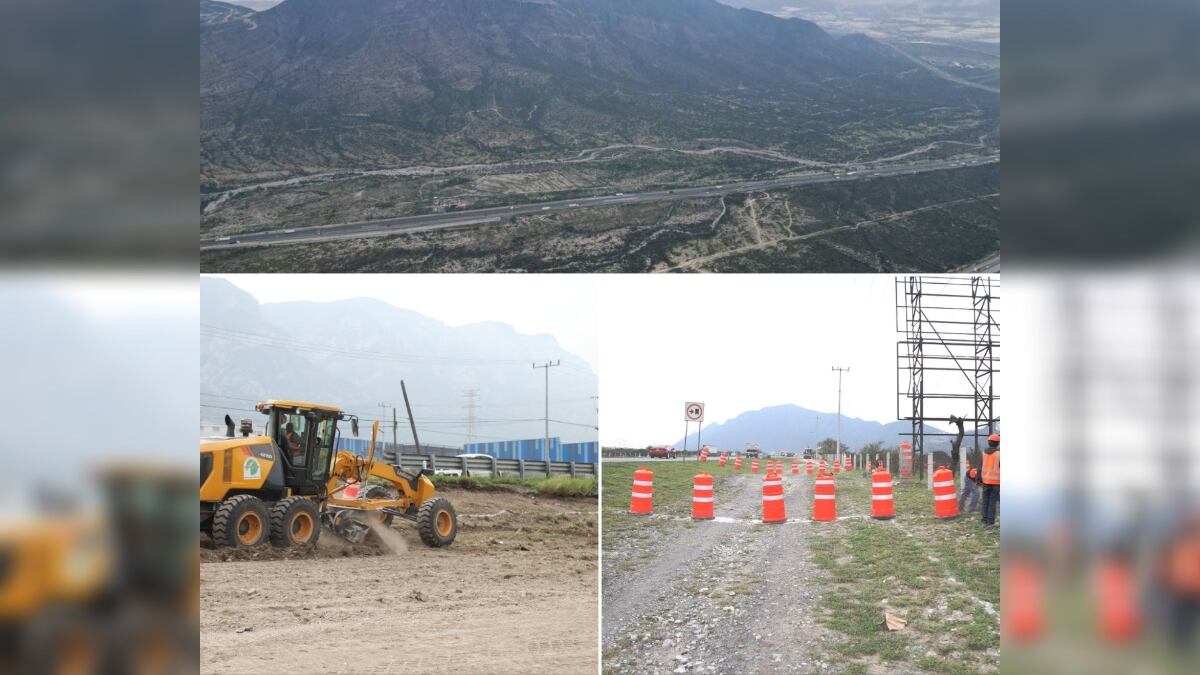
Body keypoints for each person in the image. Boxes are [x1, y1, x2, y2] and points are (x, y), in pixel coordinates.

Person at [980, 433, 1000, 526]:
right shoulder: (999, 454)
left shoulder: (983, 453)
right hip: (996, 482)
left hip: (985, 481)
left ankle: (984, 519)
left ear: (989, 443)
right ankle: (990, 521)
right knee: (992, 502)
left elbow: (979, 467)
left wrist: (978, 480)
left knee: (985, 501)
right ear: (998, 443)